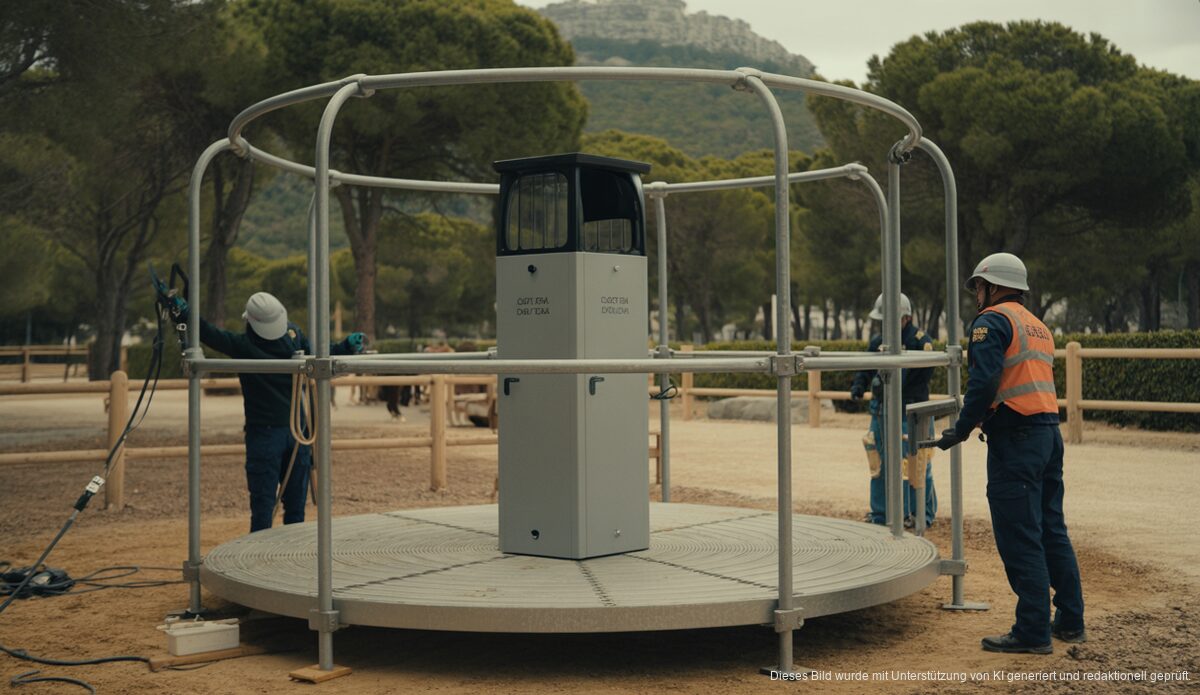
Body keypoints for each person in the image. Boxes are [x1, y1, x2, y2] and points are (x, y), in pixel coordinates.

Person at [933, 252, 1085, 654]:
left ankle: (1033, 631)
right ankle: (1070, 619)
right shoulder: (1038, 327)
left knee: (1021, 536)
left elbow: (983, 383)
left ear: (993, 286)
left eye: (979, 287)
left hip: (1015, 441)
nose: (976, 295)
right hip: (1048, 436)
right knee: (1052, 528)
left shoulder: (991, 322)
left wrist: (960, 430)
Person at [178, 292, 365, 532]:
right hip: (298, 432)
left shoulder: (243, 346)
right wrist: (347, 347)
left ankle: (259, 558)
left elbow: (208, 332)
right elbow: (322, 354)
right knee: (296, 508)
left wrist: (183, 312)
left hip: (264, 434)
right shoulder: (293, 336)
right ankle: (290, 557)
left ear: (250, 321)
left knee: (263, 508)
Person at [850, 292, 937, 528]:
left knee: (916, 464)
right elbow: (866, 367)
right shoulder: (878, 341)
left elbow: (922, 375)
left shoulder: (921, 342)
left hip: (911, 412)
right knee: (878, 462)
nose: (884, 325)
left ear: (905, 318)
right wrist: (859, 384)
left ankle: (919, 513)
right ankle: (880, 513)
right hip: (881, 410)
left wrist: (894, 385)